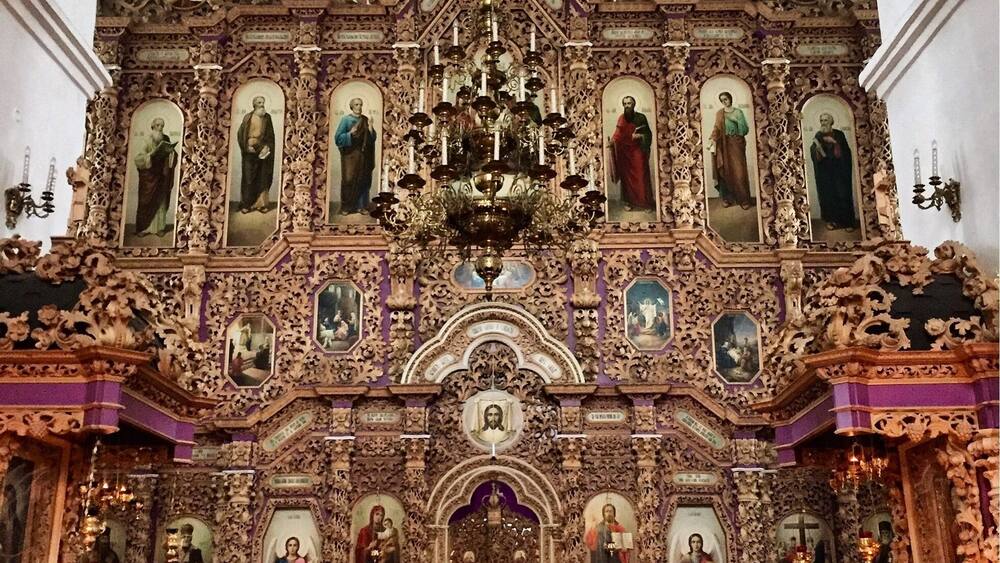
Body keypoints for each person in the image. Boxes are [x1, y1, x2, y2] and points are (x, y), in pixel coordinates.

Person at [810, 113, 858, 231]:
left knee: (842, 194)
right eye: (821, 120)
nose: (823, 122)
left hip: (839, 171)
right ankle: (832, 221)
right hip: (825, 173)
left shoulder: (839, 135)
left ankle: (847, 223)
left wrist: (834, 143)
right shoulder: (818, 135)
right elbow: (814, 152)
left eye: (826, 120)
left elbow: (846, 153)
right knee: (828, 196)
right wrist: (817, 149)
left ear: (831, 122)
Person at [132, 117, 178, 237]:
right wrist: (151, 154)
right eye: (158, 125)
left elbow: (171, 154)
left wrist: (172, 152)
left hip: (162, 175)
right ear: (152, 126)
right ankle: (143, 228)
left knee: (161, 201)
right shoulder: (147, 140)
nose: (160, 128)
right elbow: (138, 158)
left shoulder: (166, 139)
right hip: (149, 176)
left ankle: (159, 228)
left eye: (162, 126)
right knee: (146, 201)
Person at [609, 96, 655, 211]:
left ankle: (645, 203)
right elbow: (618, 133)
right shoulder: (621, 118)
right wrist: (612, 141)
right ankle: (628, 202)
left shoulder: (641, 118)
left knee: (641, 177)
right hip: (625, 153)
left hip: (638, 152)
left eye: (629, 103)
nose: (627, 106)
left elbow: (648, 134)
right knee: (626, 178)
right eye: (625, 104)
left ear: (634, 104)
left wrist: (640, 136)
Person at [708, 91, 752, 209]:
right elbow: (717, 128)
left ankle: (743, 200)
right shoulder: (719, 113)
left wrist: (735, 121)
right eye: (722, 100)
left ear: (730, 99)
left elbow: (745, 130)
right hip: (723, 144)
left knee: (739, 172)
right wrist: (712, 138)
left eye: (726, 99)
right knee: (724, 171)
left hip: (736, 144)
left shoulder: (738, 112)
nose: (724, 102)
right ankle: (726, 198)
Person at [335, 98, 377, 215]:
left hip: (363, 154)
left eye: (361, 104)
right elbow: (338, 138)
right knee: (348, 179)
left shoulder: (365, 120)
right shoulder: (346, 120)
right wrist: (349, 134)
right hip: (350, 155)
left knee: (362, 179)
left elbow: (372, 139)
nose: (359, 107)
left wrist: (370, 127)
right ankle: (346, 207)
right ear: (352, 106)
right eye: (357, 104)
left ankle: (361, 206)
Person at [236, 95, 276, 214]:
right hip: (249, 150)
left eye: (263, 102)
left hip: (262, 149)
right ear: (254, 105)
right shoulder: (248, 117)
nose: (261, 105)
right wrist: (246, 147)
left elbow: (270, 135)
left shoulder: (267, 118)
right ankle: (247, 204)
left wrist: (266, 147)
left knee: (262, 177)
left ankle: (261, 204)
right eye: (259, 102)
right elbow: (240, 134)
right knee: (248, 178)